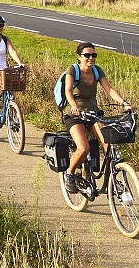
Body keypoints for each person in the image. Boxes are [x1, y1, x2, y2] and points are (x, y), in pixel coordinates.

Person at [56, 43, 131, 191]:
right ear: (79, 57)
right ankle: (69, 174)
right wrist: (73, 106)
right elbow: (68, 91)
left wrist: (124, 103)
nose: (91, 58)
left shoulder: (97, 71)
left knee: (109, 143)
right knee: (84, 148)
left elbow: (109, 89)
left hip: (93, 113)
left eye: (93, 55)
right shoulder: (73, 70)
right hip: (75, 115)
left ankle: (113, 179)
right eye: (87, 55)